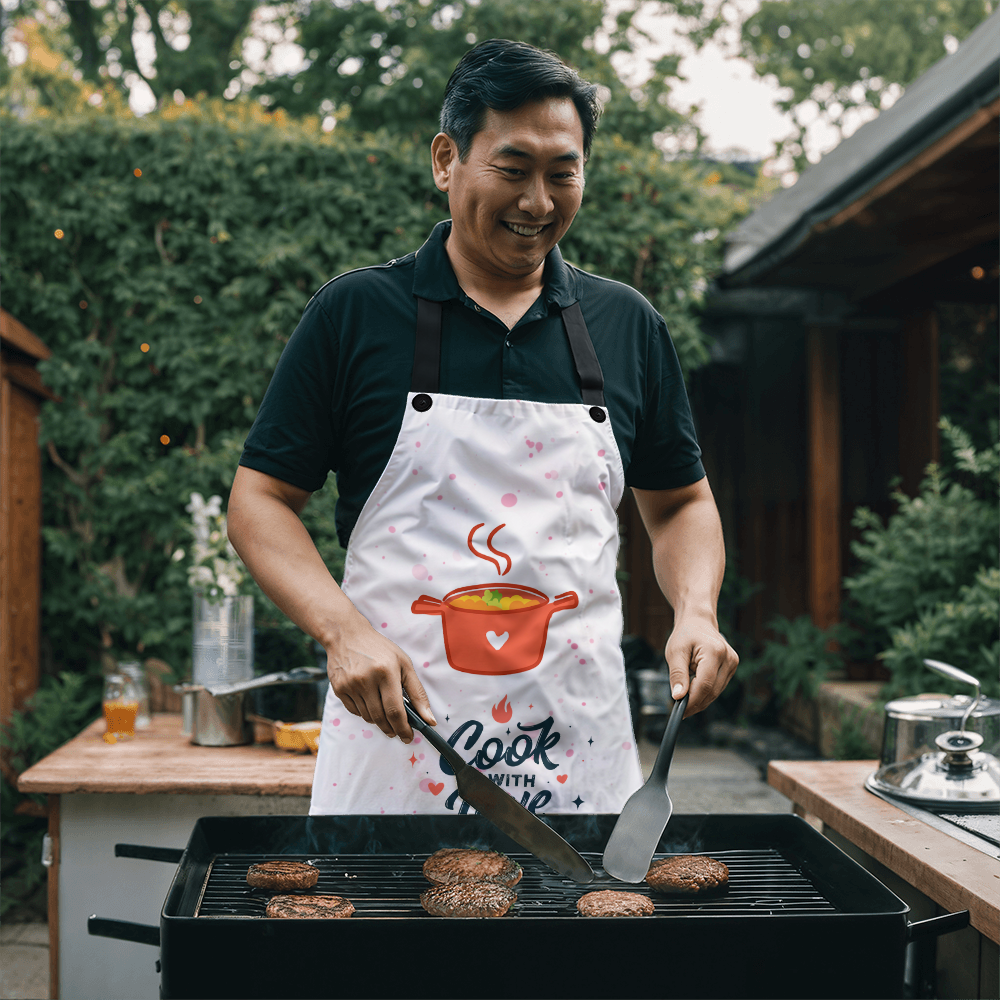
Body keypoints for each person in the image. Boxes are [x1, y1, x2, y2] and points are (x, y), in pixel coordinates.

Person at [228, 39, 738, 816]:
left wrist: (695, 610)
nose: (539, 200)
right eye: (513, 167)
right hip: (395, 753)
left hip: (580, 756)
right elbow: (259, 500)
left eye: (562, 172)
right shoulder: (355, 314)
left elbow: (679, 504)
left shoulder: (625, 325)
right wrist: (343, 633)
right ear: (446, 160)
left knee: (582, 933)